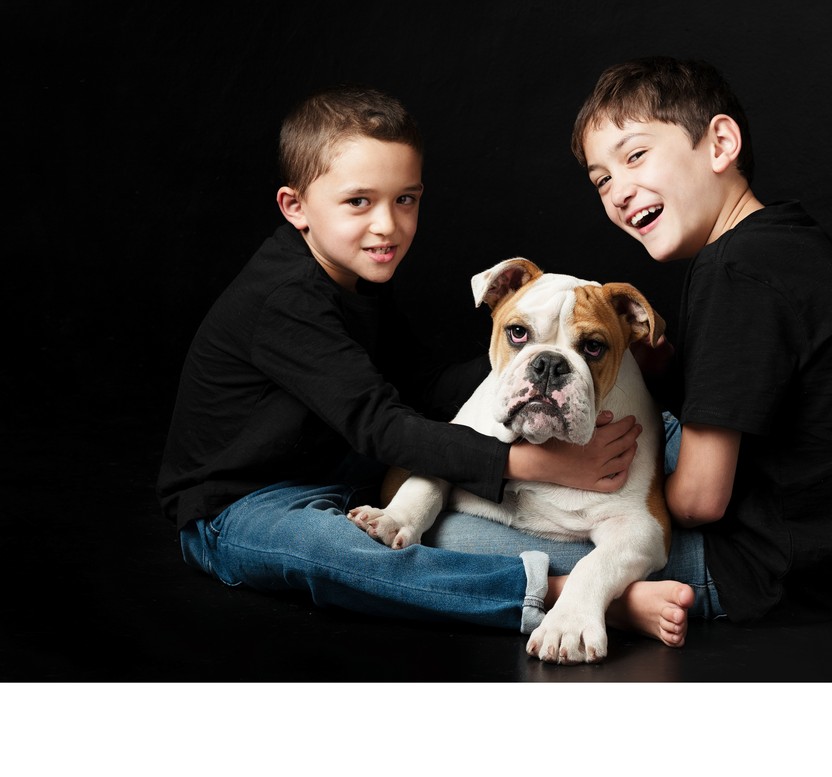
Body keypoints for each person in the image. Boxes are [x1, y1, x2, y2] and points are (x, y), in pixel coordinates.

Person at [156, 83, 694, 650]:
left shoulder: (355, 280)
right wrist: (530, 463)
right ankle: (559, 593)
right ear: (296, 208)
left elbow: (427, 387)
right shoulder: (286, 301)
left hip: (344, 480)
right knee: (342, 557)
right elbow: (381, 425)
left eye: (405, 199)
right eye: (358, 202)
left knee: (438, 528)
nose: (387, 224)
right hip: (238, 507)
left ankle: (595, 581)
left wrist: (525, 366)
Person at [567, 56, 832, 623]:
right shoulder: (788, 239)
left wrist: (590, 489)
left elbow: (700, 502)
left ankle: (578, 596)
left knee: (460, 531)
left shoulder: (733, 271)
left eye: (635, 155)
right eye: (602, 180)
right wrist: (659, 367)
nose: (619, 191)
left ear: (720, 143)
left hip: (754, 568)